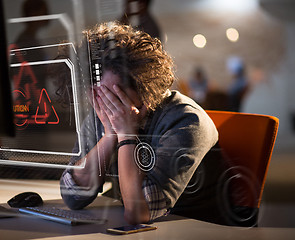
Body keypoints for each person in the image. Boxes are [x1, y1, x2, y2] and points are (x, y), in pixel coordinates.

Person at [59, 22, 218, 224]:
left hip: (197, 229)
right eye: (98, 96)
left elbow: (137, 212)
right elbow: (72, 196)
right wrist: (110, 135)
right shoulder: (102, 114)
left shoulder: (187, 120)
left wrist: (126, 134)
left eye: (114, 97)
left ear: (144, 89)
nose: (105, 107)